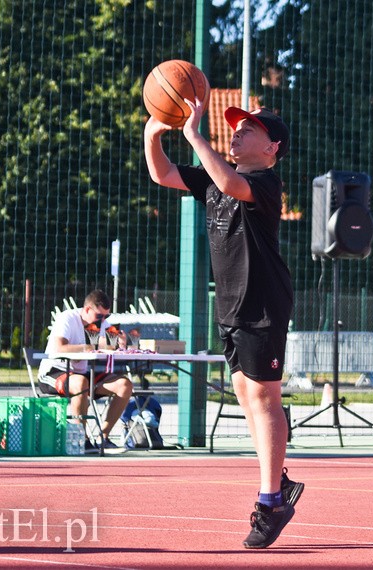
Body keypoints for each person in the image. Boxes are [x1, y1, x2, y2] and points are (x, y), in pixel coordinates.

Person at [144, 101, 302, 549]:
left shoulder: (265, 182)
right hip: (232, 305)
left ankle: (271, 501)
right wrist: (152, 134)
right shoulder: (215, 179)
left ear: (272, 148)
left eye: (247, 130)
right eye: (234, 128)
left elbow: (231, 183)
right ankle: (281, 481)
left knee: (263, 396)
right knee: (244, 395)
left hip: (264, 302)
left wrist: (194, 135)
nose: (235, 133)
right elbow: (164, 174)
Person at [38, 289, 133, 453]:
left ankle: (103, 437)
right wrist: (89, 347)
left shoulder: (101, 324)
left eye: (106, 317)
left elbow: (113, 343)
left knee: (124, 384)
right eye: (99, 316)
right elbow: (60, 347)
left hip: (82, 372)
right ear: (87, 310)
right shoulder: (67, 318)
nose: (103, 320)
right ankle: (81, 438)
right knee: (81, 383)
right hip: (55, 371)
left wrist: (121, 342)